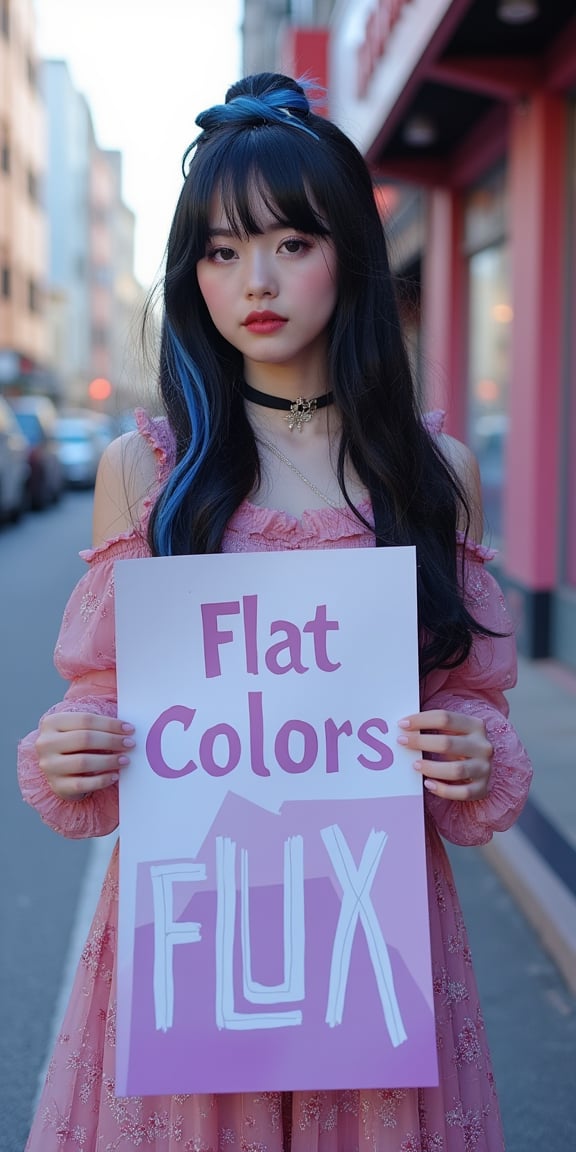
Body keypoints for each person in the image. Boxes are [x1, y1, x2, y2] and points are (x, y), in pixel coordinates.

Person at [18, 72, 532, 1151]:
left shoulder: (428, 470)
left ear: (349, 250)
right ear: (189, 272)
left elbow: (469, 696)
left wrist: (471, 752)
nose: (254, 279)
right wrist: (74, 747)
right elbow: (103, 702)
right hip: (192, 938)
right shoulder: (145, 470)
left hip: (372, 935)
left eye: (292, 242)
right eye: (219, 249)